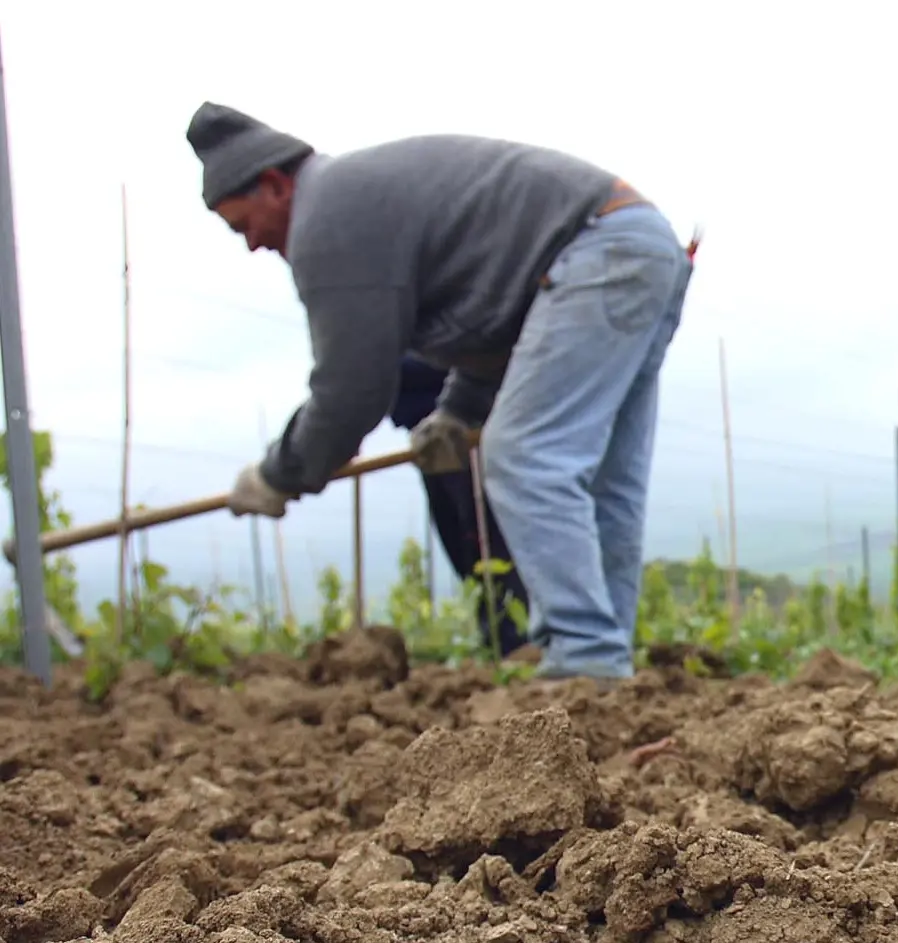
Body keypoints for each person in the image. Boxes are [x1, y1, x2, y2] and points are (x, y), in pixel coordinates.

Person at [188, 103, 691, 679]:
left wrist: (281, 474)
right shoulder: (364, 201)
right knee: (605, 478)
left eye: (241, 224)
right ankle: (601, 659)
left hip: (597, 251)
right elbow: (497, 316)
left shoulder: (325, 220)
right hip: (638, 243)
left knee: (526, 454)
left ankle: (584, 657)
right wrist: (455, 413)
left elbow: (352, 389)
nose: (251, 244)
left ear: (274, 185)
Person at [388, 355, 530, 657]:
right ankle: (500, 647)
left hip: (473, 427)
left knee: (492, 547)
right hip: (429, 437)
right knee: (467, 552)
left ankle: (517, 648)